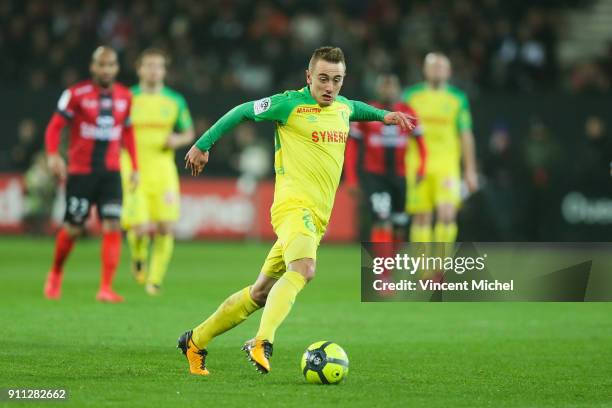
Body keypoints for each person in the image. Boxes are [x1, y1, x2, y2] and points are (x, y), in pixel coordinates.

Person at [179, 46, 415, 376]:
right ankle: (262, 341)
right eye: (322, 79)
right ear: (308, 77)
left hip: (317, 218)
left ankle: (194, 340)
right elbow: (241, 111)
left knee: (260, 292)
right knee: (304, 269)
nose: (329, 87)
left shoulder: (343, 107)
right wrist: (203, 144)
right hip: (292, 207)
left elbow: (356, 108)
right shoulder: (289, 103)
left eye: (336, 80)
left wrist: (383, 115)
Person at [43, 46, 138, 303]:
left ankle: (105, 287)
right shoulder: (75, 94)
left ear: (116, 68)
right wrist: (52, 155)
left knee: (112, 225)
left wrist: (135, 167)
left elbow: (127, 132)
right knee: (73, 228)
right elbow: (55, 126)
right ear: (93, 67)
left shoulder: (125, 96)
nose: (106, 69)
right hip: (81, 172)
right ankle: (55, 272)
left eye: (111, 65)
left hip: (111, 172)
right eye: (101, 64)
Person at [120, 48, 194, 296]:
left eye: (158, 66)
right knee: (139, 228)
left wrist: (176, 139)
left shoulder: (175, 101)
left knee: (165, 227)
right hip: (133, 168)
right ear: (139, 69)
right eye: (149, 65)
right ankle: (139, 255)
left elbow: (188, 132)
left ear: (164, 70)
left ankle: (155, 280)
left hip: (163, 170)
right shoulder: (127, 98)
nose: (153, 70)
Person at [403, 52, 478, 243]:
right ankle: (423, 270)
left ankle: (439, 269)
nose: (437, 70)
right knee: (421, 217)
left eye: (441, 67)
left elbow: (466, 135)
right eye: (433, 66)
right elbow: (399, 133)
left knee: (447, 215)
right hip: (417, 164)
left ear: (449, 71)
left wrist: (470, 170)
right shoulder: (410, 97)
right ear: (424, 70)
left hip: (447, 165)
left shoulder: (458, 99)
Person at [344, 73, 426, 243]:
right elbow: (351, 148)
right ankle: (382, 266)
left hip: (400, 177)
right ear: (377, 89)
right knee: (381, 220)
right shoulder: (367, 112)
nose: (388, 90)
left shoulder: (408, 111)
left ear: (398, 89)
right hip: (375, 177)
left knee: (399, 225)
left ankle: (391, 263)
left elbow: (422, 144)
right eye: (384, 86)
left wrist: (422, 168)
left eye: (391, 86)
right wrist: (351, 179)